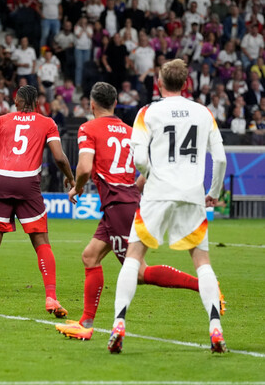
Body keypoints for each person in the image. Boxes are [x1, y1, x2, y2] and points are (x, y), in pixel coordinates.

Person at [56, 82, 209, 341]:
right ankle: (85, 322)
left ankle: (203, 285)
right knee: (90, 256)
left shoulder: (87, 128)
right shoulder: (131, 131)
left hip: (118, 205)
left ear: (91, 105)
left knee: (138, 272)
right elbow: (149, 170)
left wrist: (77, 188)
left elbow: (84, 168)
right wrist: (132, 191)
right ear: (115, 103)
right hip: (122, 203)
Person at [108, 59, 228, 354]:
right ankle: (215, 327)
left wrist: (150, 175)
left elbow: (139, 158)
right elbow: (220, 159)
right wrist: (213, 193)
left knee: (134, 257)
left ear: (159, 83)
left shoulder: (147, 112)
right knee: (202, 262)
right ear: (186, 84)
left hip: (158, 193)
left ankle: (119, 323)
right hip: (192, 194)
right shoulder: (203, 113)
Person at [0, 85, 76, 318]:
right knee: (41, 242)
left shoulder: (0, 120)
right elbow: (59, 157)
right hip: (29, 183)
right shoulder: (47, 123)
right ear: (37, 103)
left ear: (16, 102)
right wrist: (71, 179)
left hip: (1, 181)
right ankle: (51, 298)